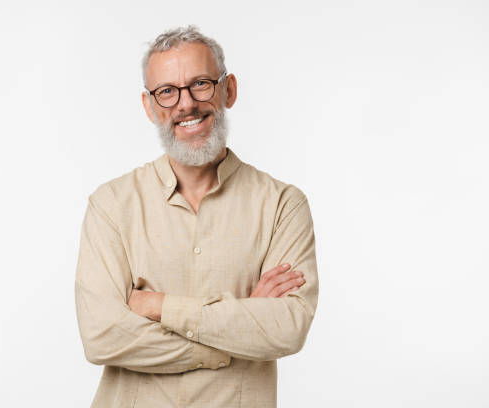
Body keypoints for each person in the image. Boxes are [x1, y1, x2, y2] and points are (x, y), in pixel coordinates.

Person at [74, 25, 319, 408]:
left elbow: (286, 329)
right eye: (167, 92)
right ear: (150, 107)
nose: (186, 104)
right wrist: (234, 330)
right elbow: (101, 336)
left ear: (229, 89)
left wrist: (159, 306)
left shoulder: (282, 205)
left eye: (201, 84)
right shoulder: (111, 205)